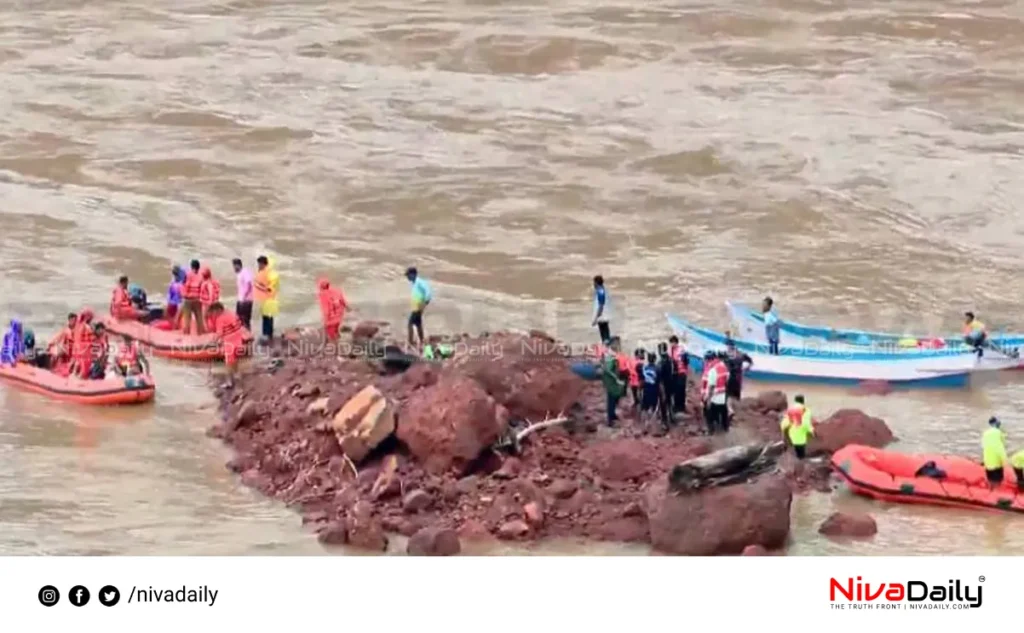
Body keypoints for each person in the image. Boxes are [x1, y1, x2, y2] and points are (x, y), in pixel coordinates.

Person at [207, 301, 249, 387]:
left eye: (213, 313)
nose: (213, 315)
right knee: (235, 358)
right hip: (238, 337)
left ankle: (229, 381)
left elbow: (219, 333)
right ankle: (237, 374)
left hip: (229, 341)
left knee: (228, 361)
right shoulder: (230, 313)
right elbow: (239, 324)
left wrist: (213, 342)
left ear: (217, 310)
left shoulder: (220, 319)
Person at [701, 351, 730, 434]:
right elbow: (727, 379)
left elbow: (711, 386)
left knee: (709, 413)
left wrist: (708, 398)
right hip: (723, 395)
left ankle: (711, 431)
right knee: (723, 412)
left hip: (714, 396)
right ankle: (725, 429)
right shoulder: (723, 366)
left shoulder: (712, 370)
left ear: (708, 360)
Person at [723, 339, 753, 418]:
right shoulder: (741, 354)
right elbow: (751, 361)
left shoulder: (726, 355)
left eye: (727, 346)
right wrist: (746, 368)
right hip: (738, 377)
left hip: (729, 377)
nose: (726, 348)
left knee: (728, 395)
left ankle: (730, 410)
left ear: (729, 346)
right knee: (736, 394)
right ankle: (737, 413)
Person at [600, 337, 625, 427]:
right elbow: (608, 369)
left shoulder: (609, 355)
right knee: (611, 400)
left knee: (613, 398)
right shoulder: (610, 357)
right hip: (611, 382)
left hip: (610, 380)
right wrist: (616, 379)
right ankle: (610, 420)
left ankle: (612, 415)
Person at [253, 255, 279, 342]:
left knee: (267, 318)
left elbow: (269, 288)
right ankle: (268, 335)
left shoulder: (268, 273)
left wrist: (257, 286)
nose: (258, 266)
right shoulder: (265, 272)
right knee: (268, 317)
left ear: (263, 264)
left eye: (259, 264)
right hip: (267, 298)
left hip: (269, 298)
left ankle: (266, 335)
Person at [406, 266, 432, 348]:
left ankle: (410, 342)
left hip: (418, 307)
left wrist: (427, 300)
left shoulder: (419, 282)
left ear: (413, 274)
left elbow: (428, 290)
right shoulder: (414, 283)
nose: (407, 277)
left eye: (408, 275)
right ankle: (421, 340)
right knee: (418, 324)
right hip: (416, 306)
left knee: (410, 324)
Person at [179, 259, 205, 334]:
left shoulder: (188, 274)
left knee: (187, 318)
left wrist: (183, 294)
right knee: (199, 318)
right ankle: (201, 334)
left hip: (188, 300)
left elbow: (185, 286)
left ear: (191, 267)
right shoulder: (201, 275)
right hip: (197, 299)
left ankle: (186, 335)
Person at [982, 416, 1008, 488]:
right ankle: (995, 492)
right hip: (996, 463)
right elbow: (1001, 448)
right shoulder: (999, 433)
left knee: (990, 478)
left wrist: (983, 460)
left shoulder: (985, 433)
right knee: (997, 479)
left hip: (987, 461)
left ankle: (990, 490)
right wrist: (1005, 460)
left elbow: (984, 447)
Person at [656, 342, 677, 429]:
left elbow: (659, 379)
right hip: (671, 385)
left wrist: (662, 390)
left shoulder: (660, 363)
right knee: (670, 401)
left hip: (664, 386)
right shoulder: (672, 360)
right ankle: (672, 417)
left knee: (663, 403)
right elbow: (675, 372)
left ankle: (664, 422)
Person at [668, 336, 688, 414]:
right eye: (671, 343)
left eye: (672, 343)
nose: (672, 344)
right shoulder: (670, 350)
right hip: (674, 373)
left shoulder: (681, 349)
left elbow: (685, 360)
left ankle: (681, 406)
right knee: (675, 390)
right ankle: (676, 406)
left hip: (682, 372)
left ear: (676, 342)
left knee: (681, 390)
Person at [232, 258, 254, 331]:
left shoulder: (245, 272)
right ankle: (242, 335)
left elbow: (249, 284)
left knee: (245, 320)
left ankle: (248, 335)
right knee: (239, 319)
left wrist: (244, 296)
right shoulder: (240, 274)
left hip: (246, 300)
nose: (234, 268)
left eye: (234, 266)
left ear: (238, 265)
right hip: (241, 300)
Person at [198, 265, 221, 331]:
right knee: (211, 317)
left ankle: (208, 329)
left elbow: (211, 292)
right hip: (209, 302)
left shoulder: (208, 283)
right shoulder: (210, 281)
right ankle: (212, 328)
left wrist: (210, 302)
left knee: (205, 317)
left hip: (207, 303)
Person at [591, 275, 612, 344]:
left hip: (602, 316)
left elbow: (601, 305)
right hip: (605, 316)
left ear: (596, 283)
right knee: (606, 335)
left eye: (594, 282)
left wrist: (596, 318)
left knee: (604, 337)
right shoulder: (604, 290)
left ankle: (607, 350)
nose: (593, 284)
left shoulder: (600, 291)